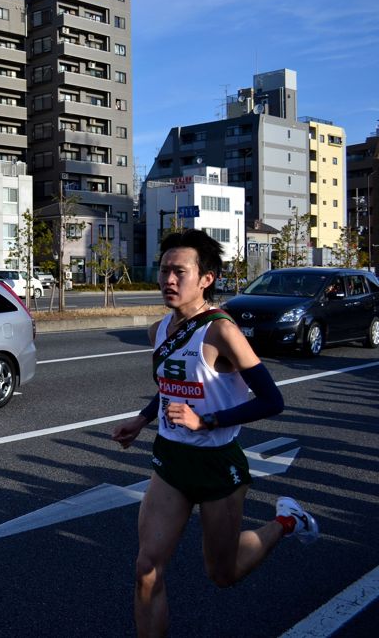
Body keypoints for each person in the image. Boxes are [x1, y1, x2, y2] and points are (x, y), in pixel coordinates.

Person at [111, 229, 318, 638]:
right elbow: (172, 387)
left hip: (218, 465)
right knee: (146, 570)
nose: (168, 280)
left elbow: (272, 400)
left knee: (222, 574)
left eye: (179, 272)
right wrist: (143, 418)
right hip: (170, 461)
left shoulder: (222, 331)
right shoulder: (159, 330)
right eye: (164, 270)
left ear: (206, 279)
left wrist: (206, 422)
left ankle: (286, 521)